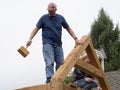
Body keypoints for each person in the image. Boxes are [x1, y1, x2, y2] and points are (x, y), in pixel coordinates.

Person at [26, 2, 83, 83]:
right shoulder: (43, 18)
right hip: (47, 43)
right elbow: (35, 29)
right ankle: (50, 79)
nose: (49, 12)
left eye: (51, 10)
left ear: (55, 9)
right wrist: (30, 38)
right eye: (48, 10)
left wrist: (76, 39)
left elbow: (68, 28)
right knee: (49, 61)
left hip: (58, 44)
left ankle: (58, 79)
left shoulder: (60, 18)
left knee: (60, 63)